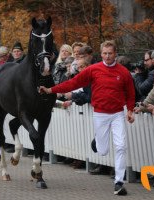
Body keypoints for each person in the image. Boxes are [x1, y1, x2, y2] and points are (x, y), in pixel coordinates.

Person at [39, 40, 135, 196]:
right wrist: (51, 90)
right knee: (103, 151)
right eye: (105, 53)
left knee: (121, 146)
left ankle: (119, 182)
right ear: (101, 53)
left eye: (110, 53)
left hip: (117, 114)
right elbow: (72, 83)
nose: (108, 56)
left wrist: (130, 110)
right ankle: (97, 140)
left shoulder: (123, 72)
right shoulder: (93, 70)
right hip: (100, 114)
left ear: (115, 53)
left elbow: (131, 93)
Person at [134, 48, 154, 113]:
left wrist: (139, 75)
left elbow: (142, 89)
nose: (144, 63)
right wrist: (142, 106)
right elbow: (153, 92)